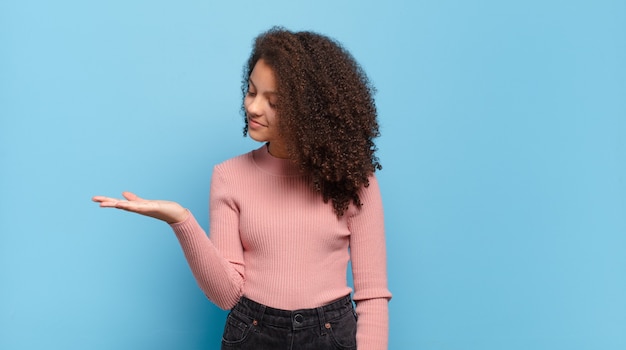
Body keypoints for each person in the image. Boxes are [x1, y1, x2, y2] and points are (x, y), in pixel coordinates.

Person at [93, 27, 391, 350]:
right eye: (251, 92)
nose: (253, 107)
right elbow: (226, 295)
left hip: (330, 333)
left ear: (309, 111)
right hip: (253, 332)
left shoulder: (353, 180)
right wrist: (180, 220)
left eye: (273, 101)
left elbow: (372, 295)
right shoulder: (228, 176)